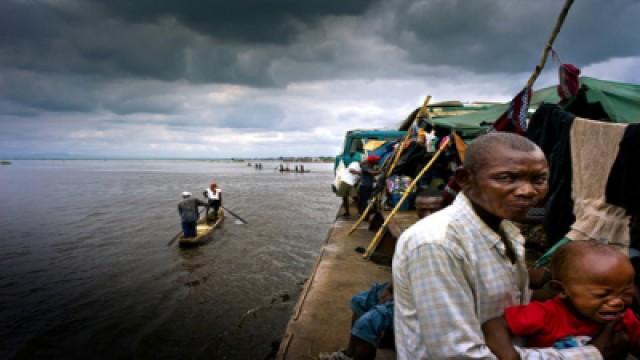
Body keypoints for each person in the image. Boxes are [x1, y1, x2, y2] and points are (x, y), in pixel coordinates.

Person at [392, 132, 627, 359]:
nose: (528, 191)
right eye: (506, 178)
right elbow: (458, 355)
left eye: (539, 179)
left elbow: (505, 302)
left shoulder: (505, 229)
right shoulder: (438, 243)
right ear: (465, 180)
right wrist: (591, 353)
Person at [482, 240, 640, 360]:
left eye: (625, 292)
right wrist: (511, 357)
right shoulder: (546, 314)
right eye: (602, 295)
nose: (617, 302)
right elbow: (494, 325)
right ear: (561, 290)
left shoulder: (622, 318)